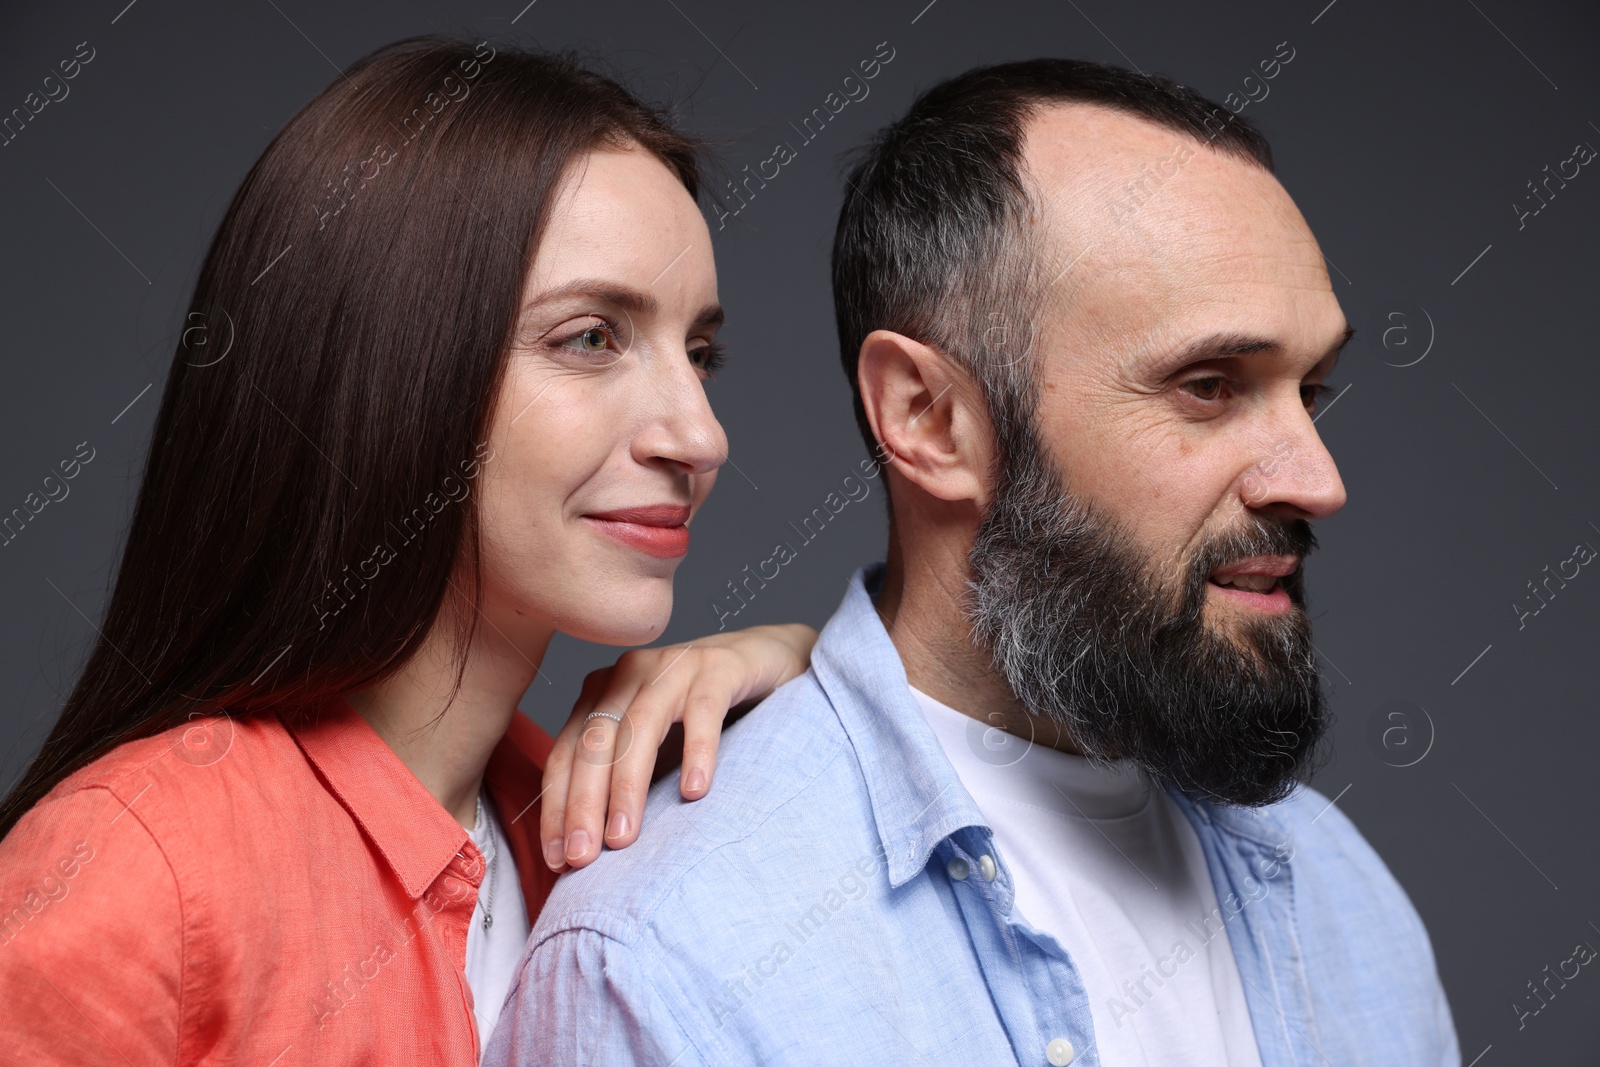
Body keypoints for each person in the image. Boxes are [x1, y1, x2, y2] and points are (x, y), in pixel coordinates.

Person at [488, 58, 1460, 1065]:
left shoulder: (1342, 896)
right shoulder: (669, 963)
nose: (1314, 476)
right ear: (929, 418)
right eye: (1209, 385)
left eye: (1312, 390)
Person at [0, 36, 818, 1065]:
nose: (700, 436)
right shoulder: (134, 872)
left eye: (699, 353)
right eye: (592, 338)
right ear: (389, 366)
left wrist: (813, 689)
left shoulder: (615, 836)